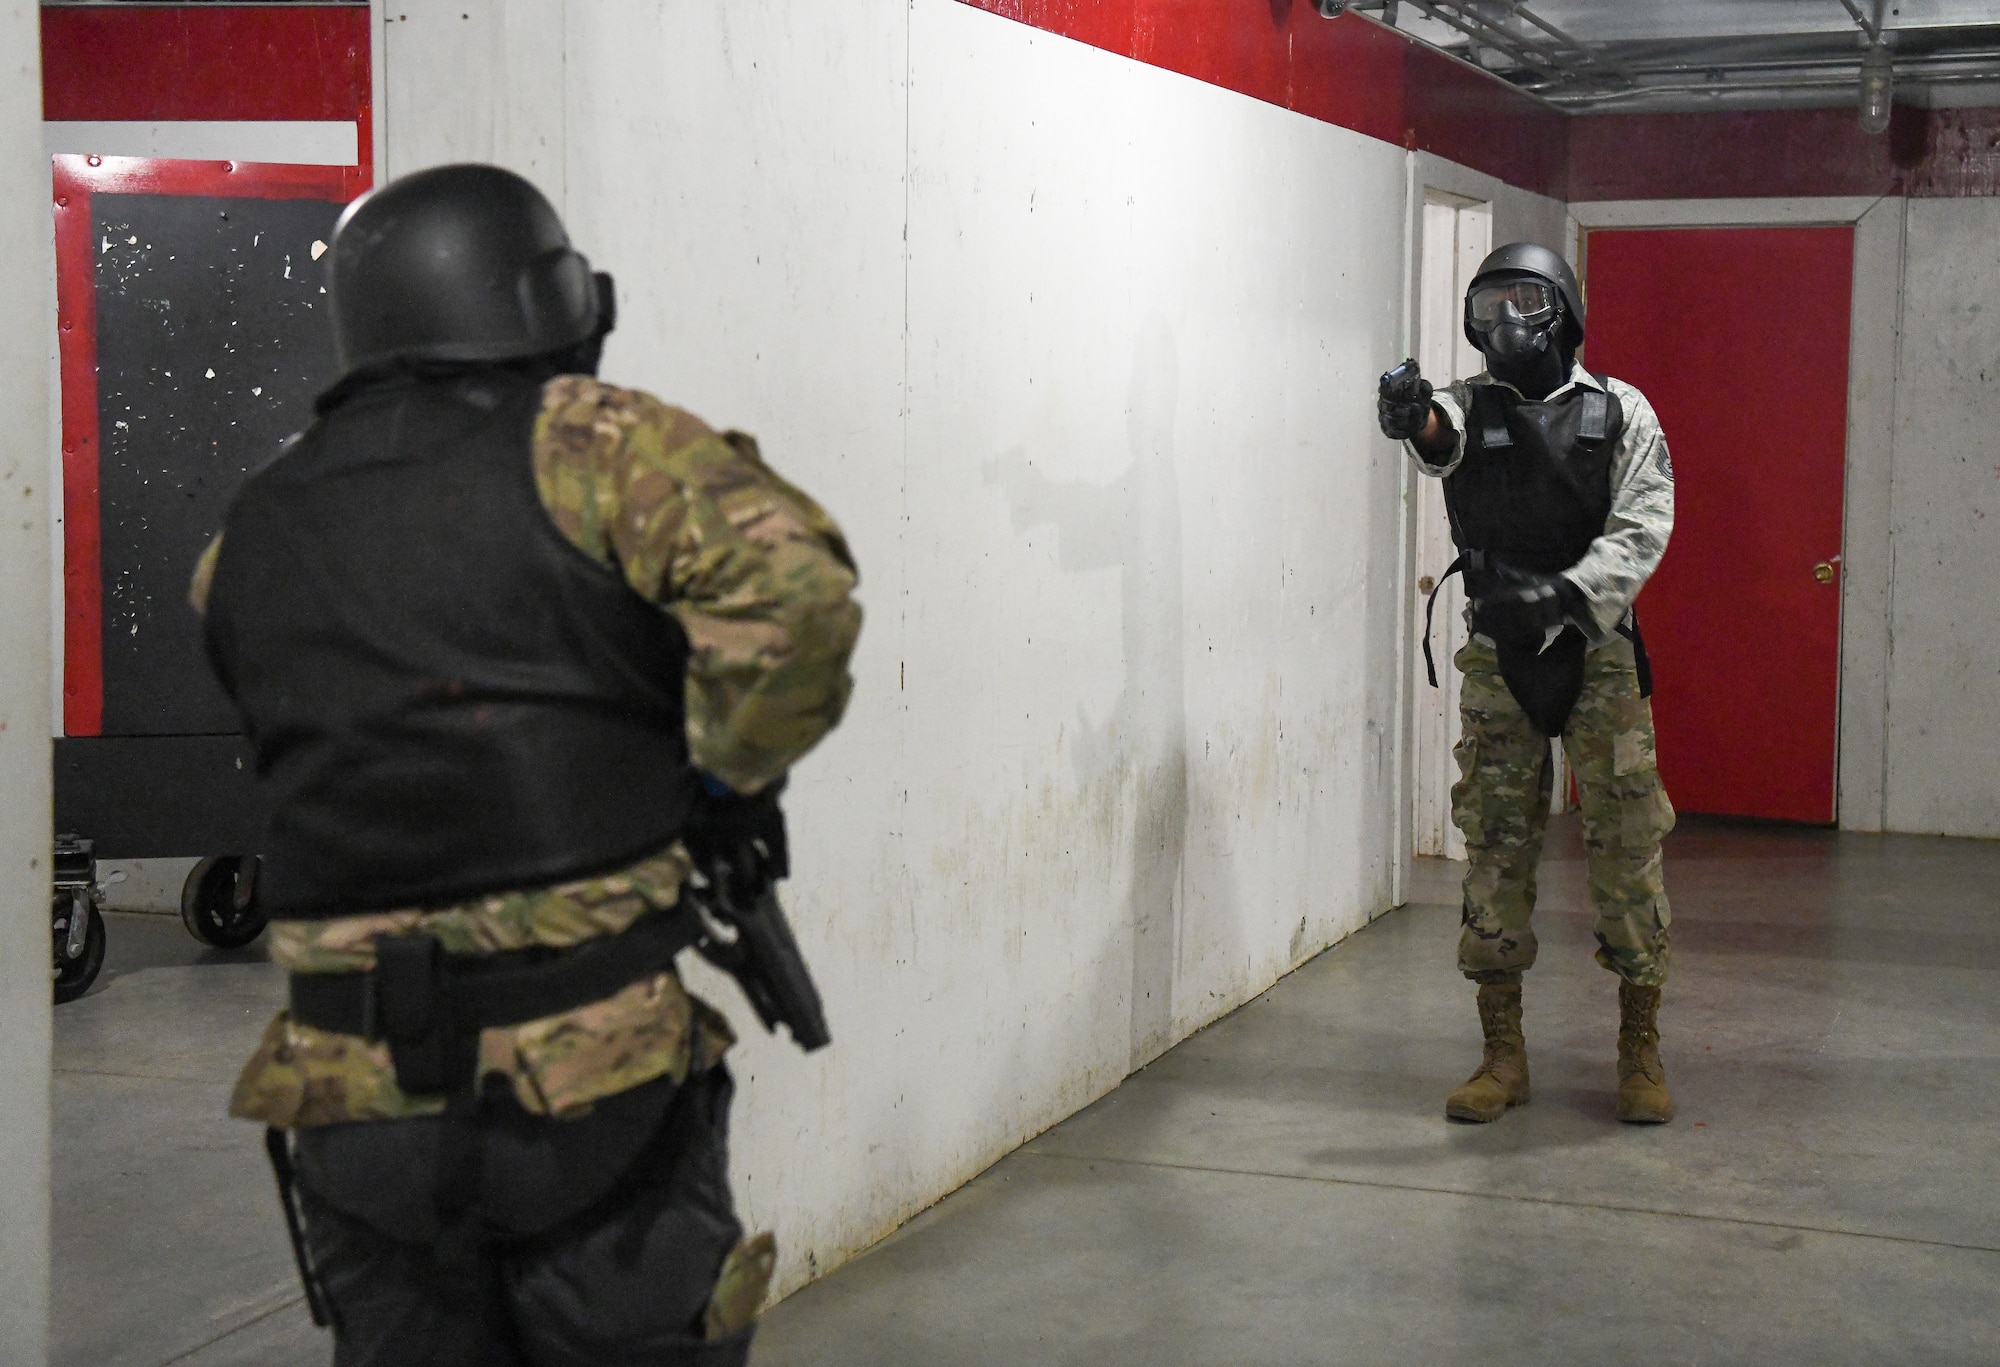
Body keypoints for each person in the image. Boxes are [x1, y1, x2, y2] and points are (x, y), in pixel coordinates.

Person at [190, 163, 862, 1365]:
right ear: (545, 300)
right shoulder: (590, 443)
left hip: (347, 1092)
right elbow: (795, 598)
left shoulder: (260, 513)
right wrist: (719, 773)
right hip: (583, 1076)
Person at [1377, 241, 1676, 1126]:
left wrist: (1570, 592)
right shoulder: (1470, 407)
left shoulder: (1619, 412)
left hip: (1596, 649)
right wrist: (1410, 415)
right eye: (1489, 305)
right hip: (1499, 653)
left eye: (1524, 302)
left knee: (1626, 845)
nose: (1506, 323)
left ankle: (1640, 1046)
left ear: (1564, 312)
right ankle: (1501, 1054)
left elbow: (1645, 523)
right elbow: (1441, 438)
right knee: (1496, 844)